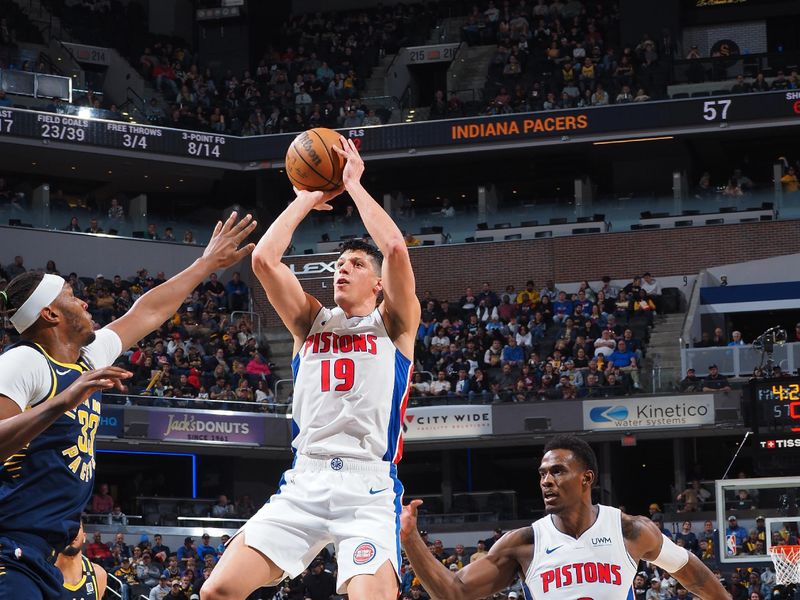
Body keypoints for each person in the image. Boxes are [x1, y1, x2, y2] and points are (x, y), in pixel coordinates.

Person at [202, 138, 419, 600]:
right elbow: (263, 260)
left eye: (356, 264)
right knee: (217, 591)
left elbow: (396, 249)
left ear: (379, 284)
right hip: (305, 479)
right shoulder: (309, 320)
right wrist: (306, 197)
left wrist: (353, 186)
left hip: (368, 486)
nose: (342, 270)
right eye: (339, 264)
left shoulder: (394, 325)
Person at [0, 212, 256, 600]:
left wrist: (206, 264)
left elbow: (149, 312)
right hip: (11, 543)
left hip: (47, 549)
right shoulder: (24, 362)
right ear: (50, 314)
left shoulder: (89, 355)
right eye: (70, 295)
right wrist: (63, 401)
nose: (84, 300)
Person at [400, 435, 729, 599]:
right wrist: (411, 539)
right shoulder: (525, 543)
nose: (546, 480)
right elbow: (454, 592)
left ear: (586, 478)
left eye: (557, 471)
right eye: (542, 473)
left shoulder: (629, 530)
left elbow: (690, 571)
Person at [55, 523, 107, 600]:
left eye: (75, 526)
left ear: (84, 537)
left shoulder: (98, 574)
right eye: (65, 526)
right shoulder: (42, 575)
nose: (70, 532)